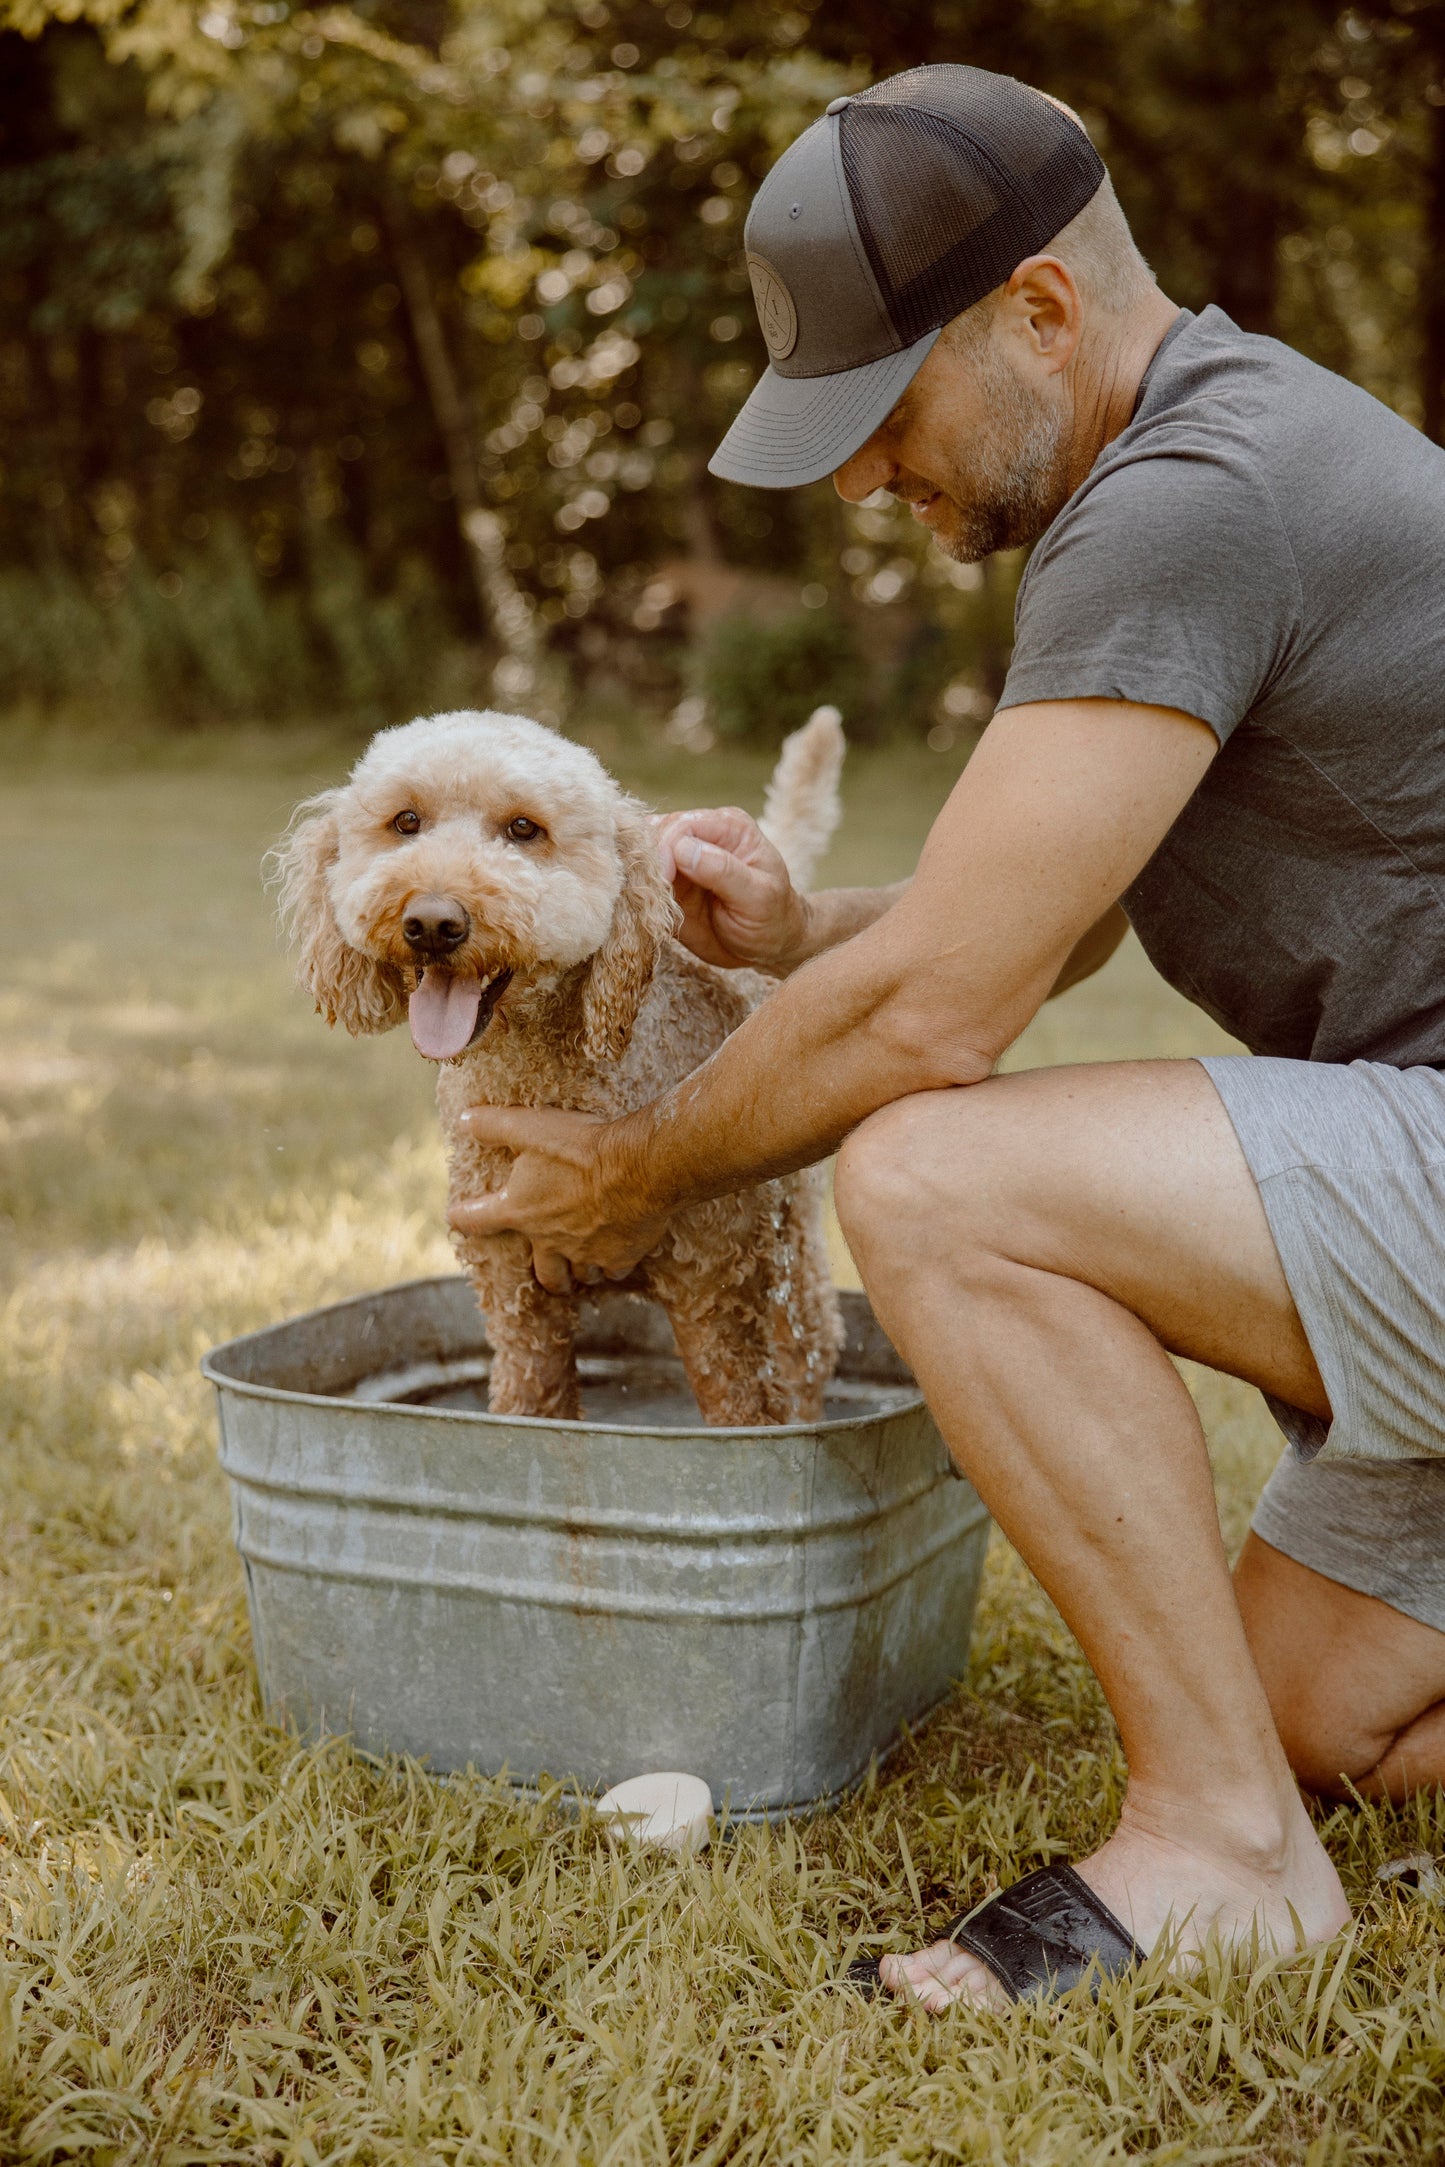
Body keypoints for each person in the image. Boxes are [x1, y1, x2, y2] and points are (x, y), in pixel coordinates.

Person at [449, 65, 1445, 2010]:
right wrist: (806, 928)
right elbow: (1034, 919)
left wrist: (634, 1174)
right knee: (1327, 1716)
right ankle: (1267, 1791)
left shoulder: (1184, 501)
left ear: (1043, 316)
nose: (859, 482)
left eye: (879, 413)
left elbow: (939, 1015)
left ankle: (1219, 1855)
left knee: (925, 1170)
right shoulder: (1198, 457)